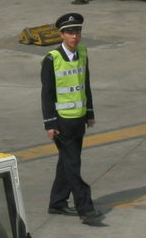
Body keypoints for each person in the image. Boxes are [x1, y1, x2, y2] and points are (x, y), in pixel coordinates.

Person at [41, 12, 104, 224]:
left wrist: (90, 113)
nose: (74, 36)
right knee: (73, 165)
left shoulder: (83, 54)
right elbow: (47, 94)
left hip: (79, 119)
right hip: (62, 122)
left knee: (66, 163)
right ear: (61, 35)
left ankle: (57, 203)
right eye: (69, 32)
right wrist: (50, 124)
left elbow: (85, 85)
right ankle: (85, 209)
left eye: (77, 31)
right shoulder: (52, 59)